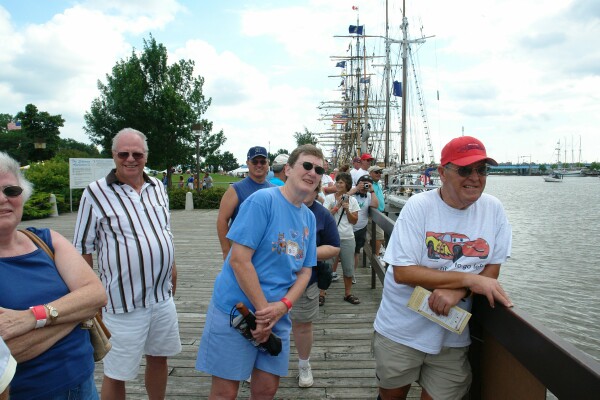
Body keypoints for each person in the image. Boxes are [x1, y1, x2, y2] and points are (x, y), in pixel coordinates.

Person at [373, 136, 513, 400]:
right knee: (391, 395)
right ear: (442, 173)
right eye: (464, 170)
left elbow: (491, 271)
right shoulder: (419, 206)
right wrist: (470, 282)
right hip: (401, 329)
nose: (474, 177)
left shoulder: (493, 209)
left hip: (451, 334)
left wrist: (459, 293)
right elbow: (403, 272)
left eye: (481, 170)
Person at [195, 144, 324, 400]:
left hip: (276, 316)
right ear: (287, 169)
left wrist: (282, 307)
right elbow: (240, 261)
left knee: (266, 389)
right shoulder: (262, 201)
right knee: (225, 393)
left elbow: (306, 271)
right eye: (306, 165)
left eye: (318, 169)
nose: (312, 172)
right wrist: (265, 312)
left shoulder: (308, 218)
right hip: (238, 311)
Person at [73, 128, 181, 400]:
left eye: (137, 154)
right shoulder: (94, 193)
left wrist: (173, 270)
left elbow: (164, 231)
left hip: (161, 296)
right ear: (113, 155)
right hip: (121, 302)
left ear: (146, 156)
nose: (130, 159)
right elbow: (83, 250)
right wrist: (89, 296)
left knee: (159, 357)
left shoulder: (157, 186)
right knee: (117, 372)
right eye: (124, 154)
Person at [0, 151, 107, 400]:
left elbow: (96, 295)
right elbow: (5, 354)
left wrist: (32, 317)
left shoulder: (46, 240)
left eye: (10, 191)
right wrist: (74, 314)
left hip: (83, 385)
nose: (3, 199)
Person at [290, 182, 340, 388]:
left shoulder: (323, 215)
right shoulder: (278, 206)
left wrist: (305, 253)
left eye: (311, 187)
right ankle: (261, 365)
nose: (305, 190)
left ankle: (304, 365)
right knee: (269, 324)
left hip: (307, 280)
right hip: (273, 280)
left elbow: (334, 247)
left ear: (317, 189)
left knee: (302, 325)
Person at [217, 146, 275, 260]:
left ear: (268, 164)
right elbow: (222, 220)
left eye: (263, 161)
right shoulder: (235, 190)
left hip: (266, 252)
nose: (259, 165)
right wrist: (226, 251)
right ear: (248, 163)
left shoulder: (274, 190)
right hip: (242, 248)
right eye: (255, 161)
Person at [322, 172, 360, 305]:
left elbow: (354, 221)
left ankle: (348, 293)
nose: (338, 184)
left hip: (347, 237)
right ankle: (322, 293)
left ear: (347, 185)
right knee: (326, 266)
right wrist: (337, 205)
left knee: (348, 267)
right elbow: (325, 218)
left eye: (341, 182)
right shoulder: (328, 198)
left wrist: (347, 209)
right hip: (330, 238)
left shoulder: (353, 201)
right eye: (337, 182)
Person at [347, 174, 379, 283]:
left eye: (367, 184)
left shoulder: (370, 195)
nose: (365, 186)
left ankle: (352, 274)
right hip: (347, 227)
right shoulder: (352, 193)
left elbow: (375, 205)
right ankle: (334, 272)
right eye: (363, 183)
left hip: (361, 228)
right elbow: (343, 197)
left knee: (356, 252)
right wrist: (356, 189)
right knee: (340, 252)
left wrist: (372, 191)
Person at [368, 165, 386, 258]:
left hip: (379, 213)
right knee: (379, 237)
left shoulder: (378, 184)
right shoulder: (369, 184)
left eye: (380, 172)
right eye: (376, 172)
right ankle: (376, 257)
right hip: (374, 214)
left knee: (376, 237)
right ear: (370, 173)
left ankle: (374, 255)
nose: (379, 174)